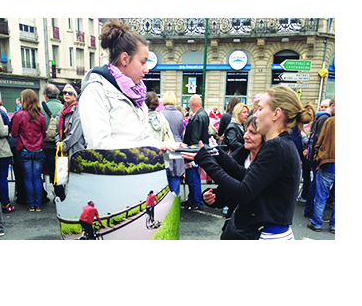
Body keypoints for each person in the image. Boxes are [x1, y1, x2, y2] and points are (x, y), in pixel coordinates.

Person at [188, 85, 312, 240]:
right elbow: (248, 176)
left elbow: (244, 191)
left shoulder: (276, 147)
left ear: (276, 114)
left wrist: (206, 161)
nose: (255, 114)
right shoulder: (280, 144)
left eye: (260, 109)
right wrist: (216, 154)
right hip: (271, 233)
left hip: (268, 235)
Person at [78, 20, 182, 150]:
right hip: (111, 170)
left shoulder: (135, 93)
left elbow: (143, 138)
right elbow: (100, 145)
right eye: (143, 62)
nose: (147, 69)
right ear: (125, 59)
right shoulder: (96, 91)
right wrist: (153, 145)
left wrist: (172, 146)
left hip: (139, 168)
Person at [10, 89, 48, 212]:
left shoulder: (19, 115)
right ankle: (38, 205)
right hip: (38, 150)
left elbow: (14, 134)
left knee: (28, 178)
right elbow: (44, 134)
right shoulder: (41, 116)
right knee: (37, 178)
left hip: (24, 150)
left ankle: (31, 205)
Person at [307, 99, 334, 232]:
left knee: (321, 195)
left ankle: (317, 223)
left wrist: (316, 156)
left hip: (328, 162)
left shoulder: (330, 121)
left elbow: (319, 140)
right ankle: (334, 225)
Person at [183, 94, 210, 209]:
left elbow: (194, 139)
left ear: (191, 104)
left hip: (194, 152)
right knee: (193, 178)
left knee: (193, 178)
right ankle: (192, 200)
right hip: (199, 151)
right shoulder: (203, 114)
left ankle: (196, 201)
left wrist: (188, 158)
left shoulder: (198, 117)